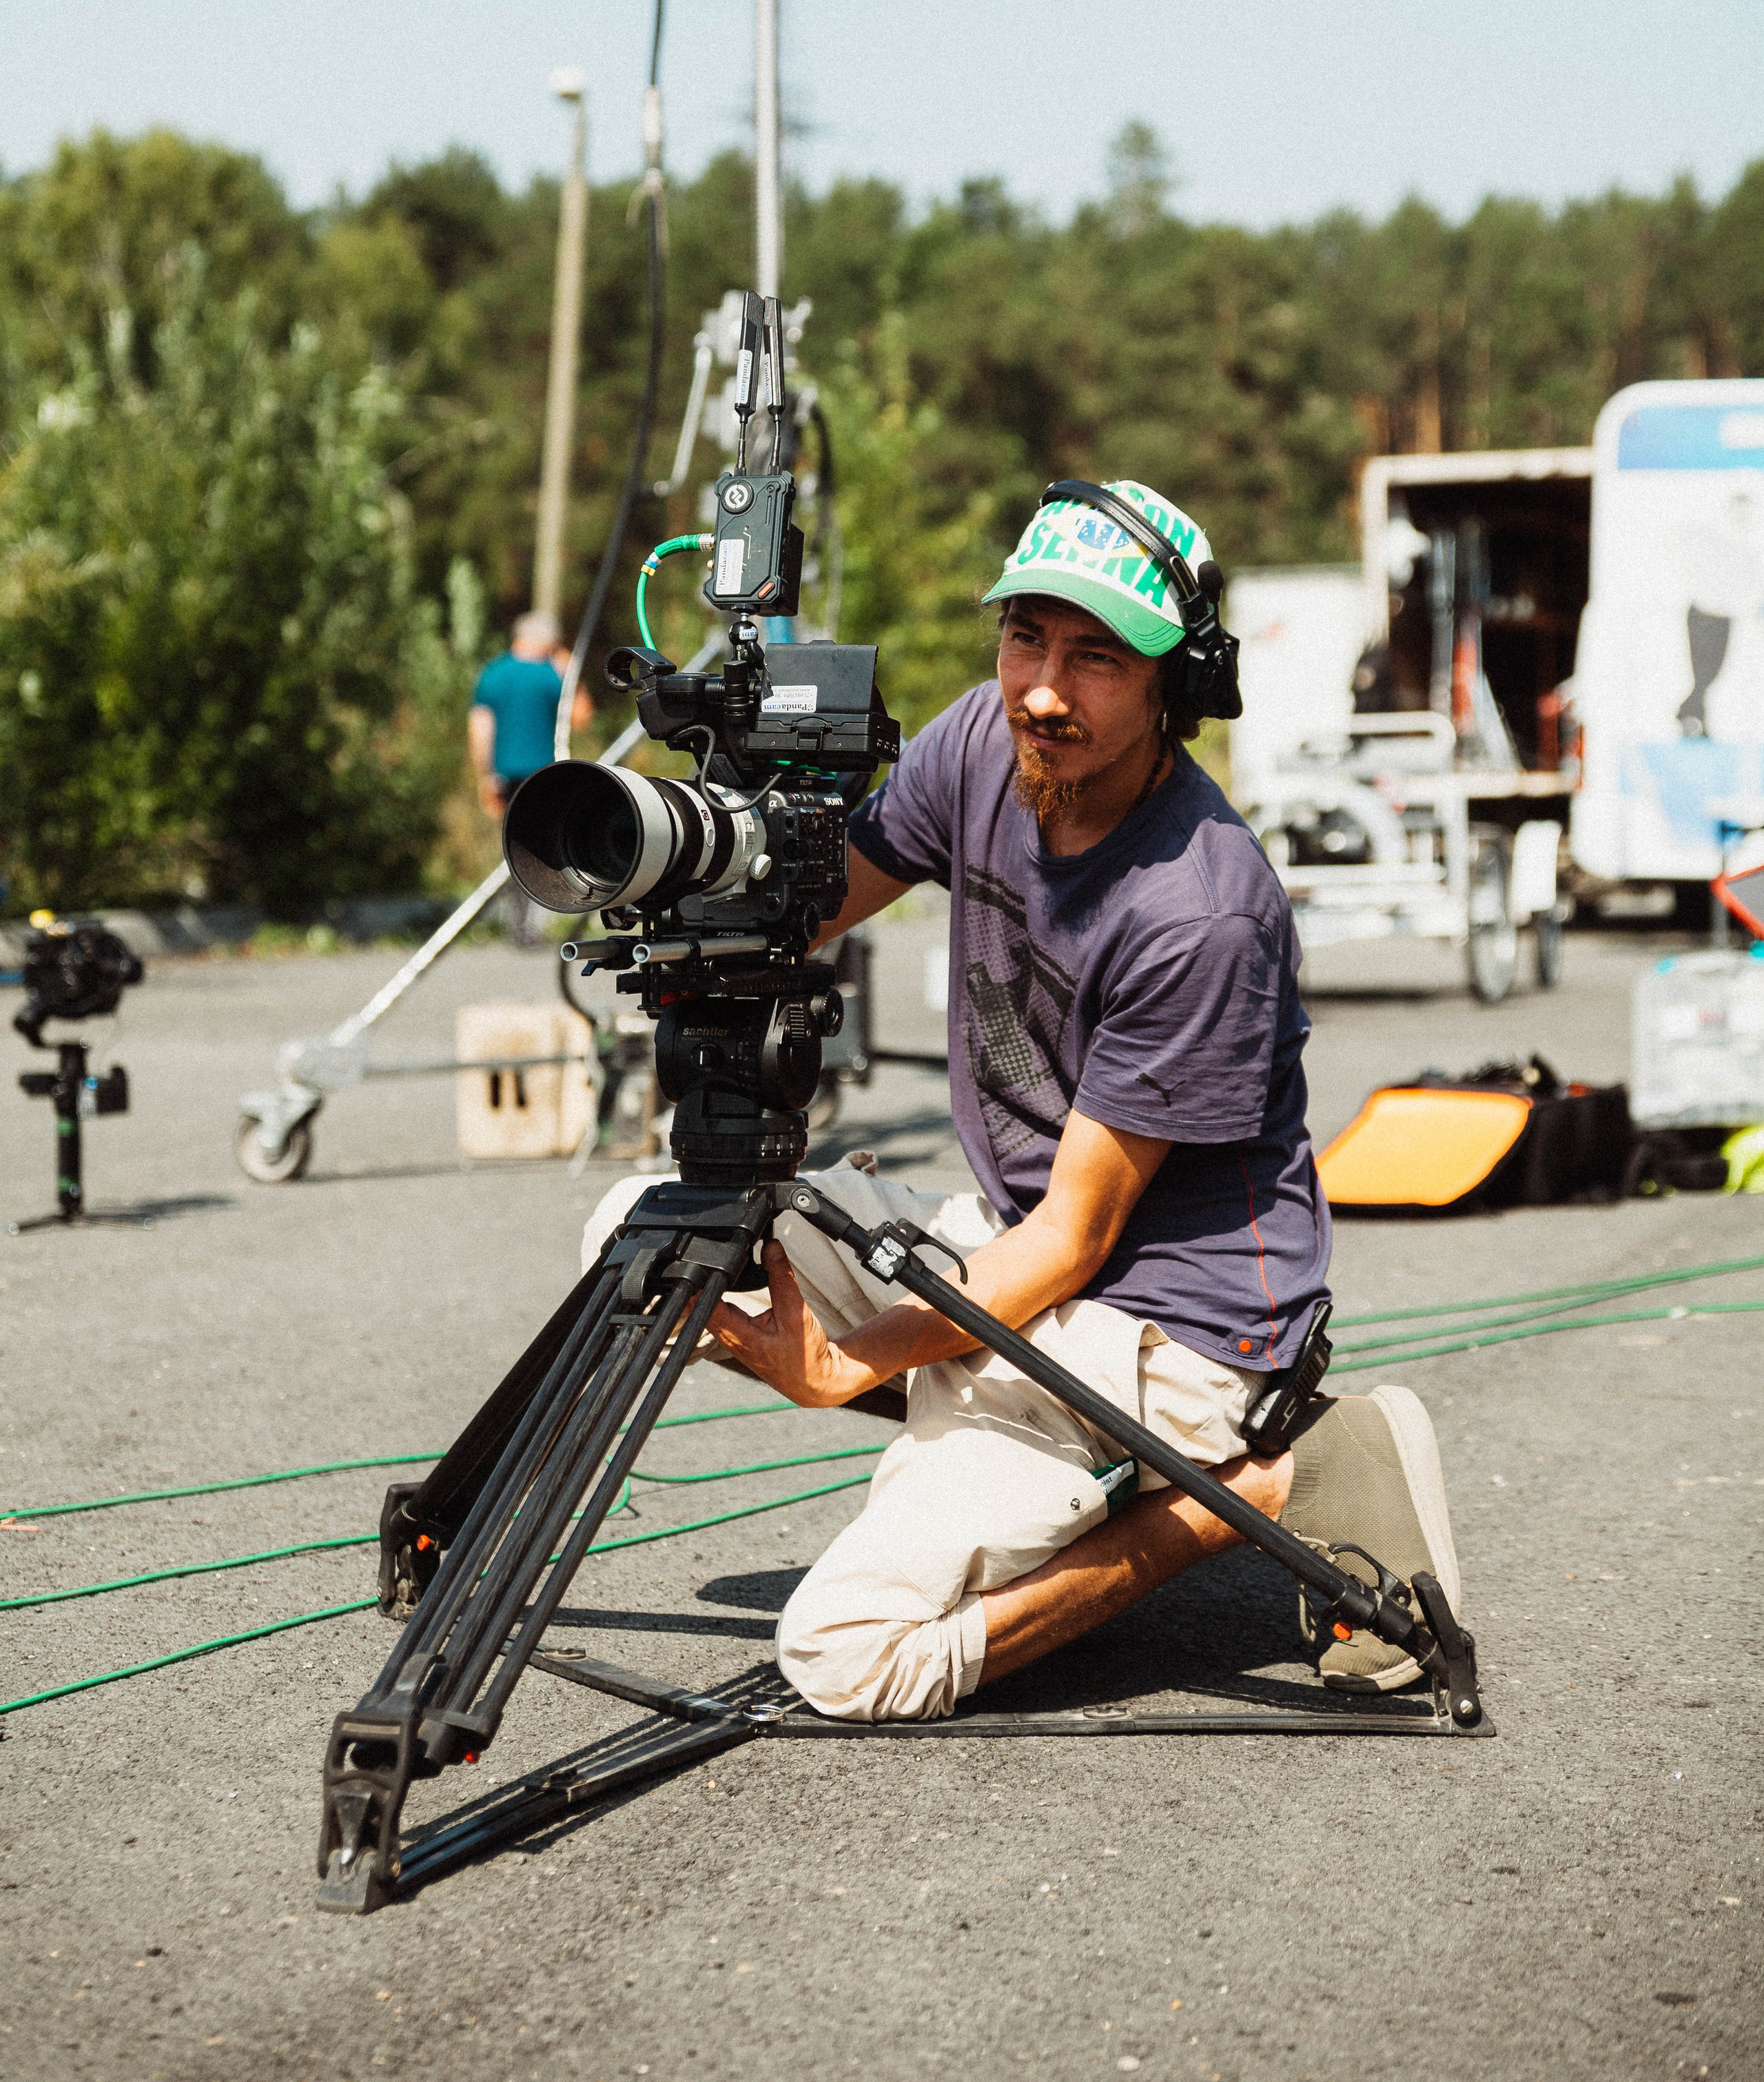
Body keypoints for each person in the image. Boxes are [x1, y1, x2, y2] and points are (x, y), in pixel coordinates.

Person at [582, 480, 1461, 1722]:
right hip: (1018, 1257)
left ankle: (1251, 1488)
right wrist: (688, 880)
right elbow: (816, 908)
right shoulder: (977, 747)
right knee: (641, 1234)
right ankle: (991, 1439)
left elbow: (1078, 1239)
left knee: (849, 1660)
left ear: (1178, 684)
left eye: (1097, 657)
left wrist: (848, 1363)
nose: (1044, 690)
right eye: (1026, 637)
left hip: (1167, 1331)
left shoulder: (1199, 909)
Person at [469, 611, 593, 820]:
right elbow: (583, 719)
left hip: (505, 780)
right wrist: (572, 672)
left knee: (514, 840)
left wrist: (486, 779)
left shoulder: (491, 673)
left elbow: (480, 734)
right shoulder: (554, 675)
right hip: (547, 777)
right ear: (551, 642)